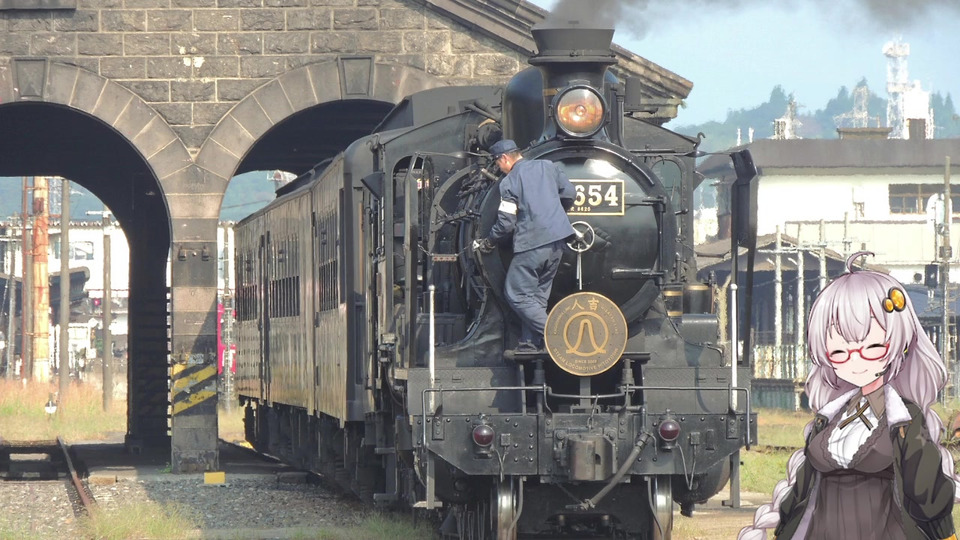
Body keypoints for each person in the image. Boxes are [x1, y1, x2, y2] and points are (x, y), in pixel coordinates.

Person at [739, 251, 960, 540]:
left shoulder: (905, 421)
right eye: (839, 352)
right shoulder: (827, 419)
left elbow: (930, 499)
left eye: (872, 348)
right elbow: (800, 496)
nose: (856, 362)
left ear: (900, 345)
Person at [475, 139, 576, 352]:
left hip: (532, 242)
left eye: (497, 163)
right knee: (537, 297)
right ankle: (530, 343)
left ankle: (559, 336)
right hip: (558, 241)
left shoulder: (509, 181)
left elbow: (506, 223)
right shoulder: (548, 166)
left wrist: (489, 241)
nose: (499, 168)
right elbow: (569, 194)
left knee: (517, 295)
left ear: (504, 158)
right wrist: (553, 215)